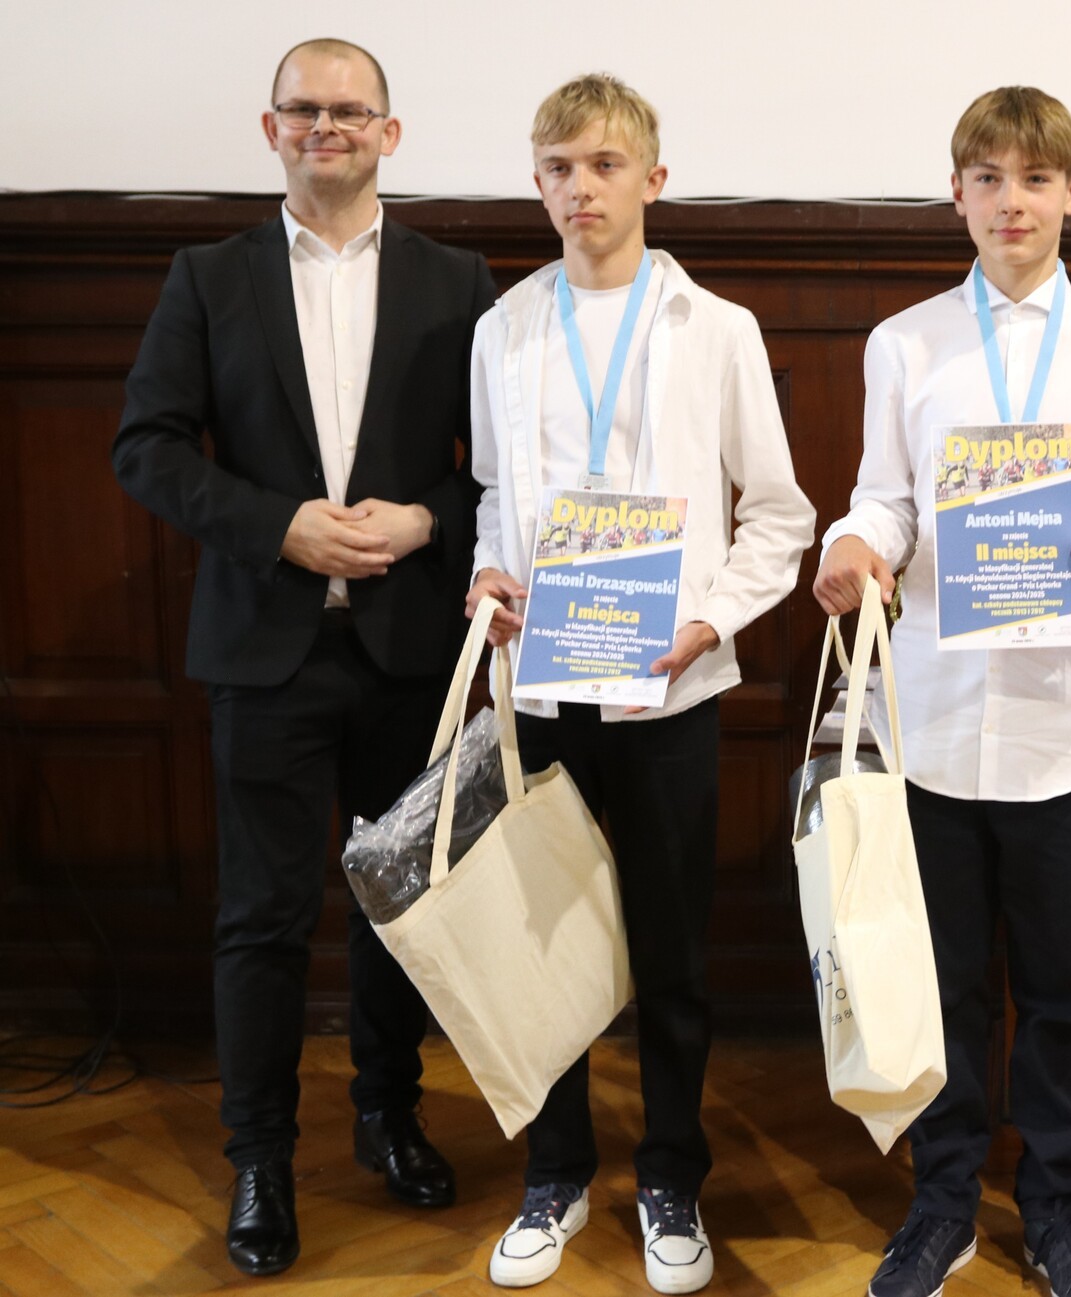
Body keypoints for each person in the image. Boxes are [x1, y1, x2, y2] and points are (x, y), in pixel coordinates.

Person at [111, 37, 494, 1278]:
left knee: (401, 906)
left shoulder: (459, 280)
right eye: (304, 110)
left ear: (390, 132)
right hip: (263, 650)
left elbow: (501, 467)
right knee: (262, 919)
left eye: (350, 110)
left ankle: (389, 1115)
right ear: (270, 129)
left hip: (409, 645)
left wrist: (425, 518)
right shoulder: (208, 275)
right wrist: (275, 523)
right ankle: (260, 1158)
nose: (326, 127)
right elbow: (146, 447)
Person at [814, 85, 1071, 1297]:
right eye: (987, 178)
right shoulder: (906, 343)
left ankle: (1062, 1207)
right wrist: (856, 548)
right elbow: (886, 498)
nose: (1010, 201)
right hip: (932, 720)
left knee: (1066, 995)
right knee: (947, 985)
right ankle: (944, 1199)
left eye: (1033, 178)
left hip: (1069, 724)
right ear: (957, 194)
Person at [464, 73, 814, 1293]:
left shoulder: (715, 329)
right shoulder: (505, 328)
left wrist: (710, 618)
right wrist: (491, 569)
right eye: (558, 168)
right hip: (544, 687)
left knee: (670, 951)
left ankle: (671, 1173)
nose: (581, 189)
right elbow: (497, 495)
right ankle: (555, 1172)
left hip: (669, 691)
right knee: (547, 949)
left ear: (653, 179)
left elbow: (781, 513)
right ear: (538, 183)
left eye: (604, 165)